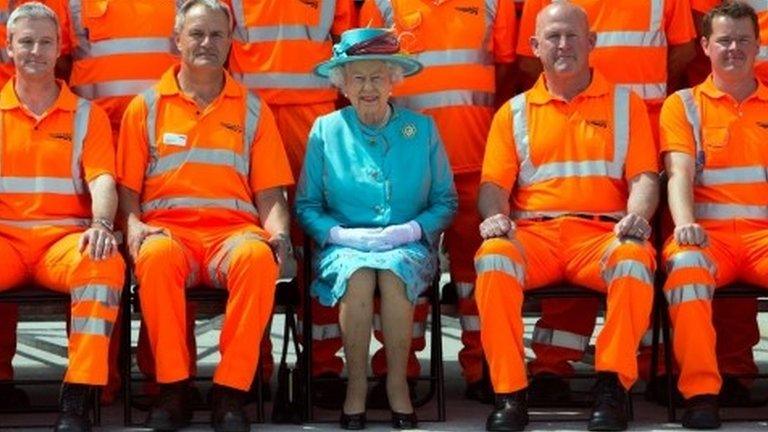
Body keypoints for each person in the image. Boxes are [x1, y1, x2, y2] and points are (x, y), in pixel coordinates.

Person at [474, 3, 659, 431]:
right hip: (536, 237)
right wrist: (493, 217)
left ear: (591, 42)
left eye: (572, 36)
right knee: (493, 258)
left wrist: (638, 215)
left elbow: (645, 177)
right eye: (552, 37)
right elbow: (492, 187)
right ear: (535, 46)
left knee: (634, 260)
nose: (563, 45)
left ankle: (612, 387)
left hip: (601, 235)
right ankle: (509, 393)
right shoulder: (514, 111)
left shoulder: (625, 105)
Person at [116, 1, 293, 430]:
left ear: (231, 41)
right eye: (196, 34)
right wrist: (134, 224)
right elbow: (127, 190)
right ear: (176, 39)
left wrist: (280, 236)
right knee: (154, 259)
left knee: (257, 260)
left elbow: (270, 193)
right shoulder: (145, 107)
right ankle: (173, 390)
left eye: (217, 35)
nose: (207, 43)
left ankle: (230, 392)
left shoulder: (253, 109)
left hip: (231, 235)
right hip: (169, 232)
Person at [513, 0, 696, 402]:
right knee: (574, 229)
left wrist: (628, 100)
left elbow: (684, 47)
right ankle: (552, 366)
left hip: (645, 130)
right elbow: (529, 61)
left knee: (650, 258)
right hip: (571, 123)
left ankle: (653, 363)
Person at [296, 27, 457, 430]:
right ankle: (355, 387)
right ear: (343, 86)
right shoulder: (325, 131)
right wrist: (339, 236)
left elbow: (446, 201)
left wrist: (411, 231)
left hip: (407, 244)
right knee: (359, 275)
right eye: (357, 78)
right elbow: (307, 205)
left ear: (393, 81)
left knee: (392, 270)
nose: (368, 87)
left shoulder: (421, 130)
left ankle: (397, 384)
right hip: (343, 245)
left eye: (377, 77)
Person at [358, 0, 517, 405]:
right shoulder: (382, 5)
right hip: (406, 166)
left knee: (476, 276)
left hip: (476, 162)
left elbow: (511, 71)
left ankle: (485, 369)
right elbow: (367, 81)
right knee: (400, 272)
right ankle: (397, 372)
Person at [0, 3, 125, 431]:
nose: (35, 50)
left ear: (59, 49)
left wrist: (102, 225)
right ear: (9, 47)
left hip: (62, 244)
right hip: (6, 243)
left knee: (104, 262)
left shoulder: (88, 115)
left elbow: (104, 180)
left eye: (45, 42)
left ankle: (79, 393)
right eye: (26, 42)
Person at [224, 0, 354, 404]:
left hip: (314, 119)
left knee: (320, 240)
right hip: (246, 116)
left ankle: (324, 365)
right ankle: (251, 369)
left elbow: (347, 50)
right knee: (253, 244)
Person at [659, 1, 768, 428]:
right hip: (710, 238)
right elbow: (678, 173)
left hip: (763, 237)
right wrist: (686, 224)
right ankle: (702, 393)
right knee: (685, 270)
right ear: (705, 45)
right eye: (724, 40)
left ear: (759, 46)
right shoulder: (682, 105)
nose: (734, 49)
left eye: (744, 40)